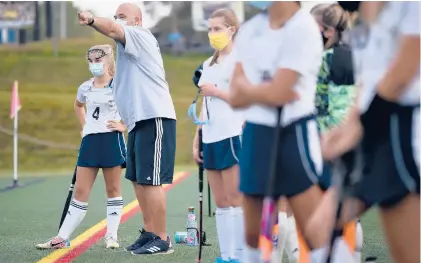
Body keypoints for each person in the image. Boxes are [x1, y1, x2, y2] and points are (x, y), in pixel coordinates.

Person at [307, 1, 420, 262]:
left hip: (403, 134)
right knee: (319, 229)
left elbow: (404, 70)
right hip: (374, 133)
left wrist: (359, 127)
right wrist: (346, 126)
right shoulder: (361, 23)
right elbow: (367, 84)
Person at [227, 2, 328, 263]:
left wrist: (251, 90)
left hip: (294, 133)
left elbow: (281, 93)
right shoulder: (249, 30)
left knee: (313, 231)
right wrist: (265, 92)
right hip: (256, 133)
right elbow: (236, 98)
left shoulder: (303, 28)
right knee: (252, 233)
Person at [77, 3, 177, 255]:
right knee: (138, 180)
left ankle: (163, 239)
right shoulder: (126, 47)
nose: (118, 20)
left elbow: (111, 28)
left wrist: (91, 20)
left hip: (154, 117)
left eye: (123, 16)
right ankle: (150, 232)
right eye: (116, 16)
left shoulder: (139, 35)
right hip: (137, 122)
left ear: (138, 20)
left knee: (151, 181)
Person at [36, 44, 126, 250]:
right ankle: (61, 237)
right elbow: (78, 105)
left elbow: (133, 106)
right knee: (81, 191)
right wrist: (84, 126)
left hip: (112, 140)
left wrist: (124, 125)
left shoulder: (119, 84)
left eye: (98, 60)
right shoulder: (85, 87)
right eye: (91, 61)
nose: (94, 64)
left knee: (113, 189)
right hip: (90, 142)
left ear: (108, 61)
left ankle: (112, 236)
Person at [298, 4, 364, 263]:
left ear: (325, 31)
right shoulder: (350, 53)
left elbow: (329, 107)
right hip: (348, 140)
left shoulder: (328, 59)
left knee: (327, 211)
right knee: (345, 210)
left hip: (329, 144)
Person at [191, 8, 244, 263]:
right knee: (221, 202)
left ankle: (243, 256)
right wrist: (197, 137)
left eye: (218, 29)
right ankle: (226, 256)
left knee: (236, 199)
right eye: (210, 29)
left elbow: (247, 99)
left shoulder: (241, 60)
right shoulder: (207, 65)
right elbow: (204, 105)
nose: (213, 34)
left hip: (233, 133)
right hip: (210, 137)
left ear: (231, 30)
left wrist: (218, 91)